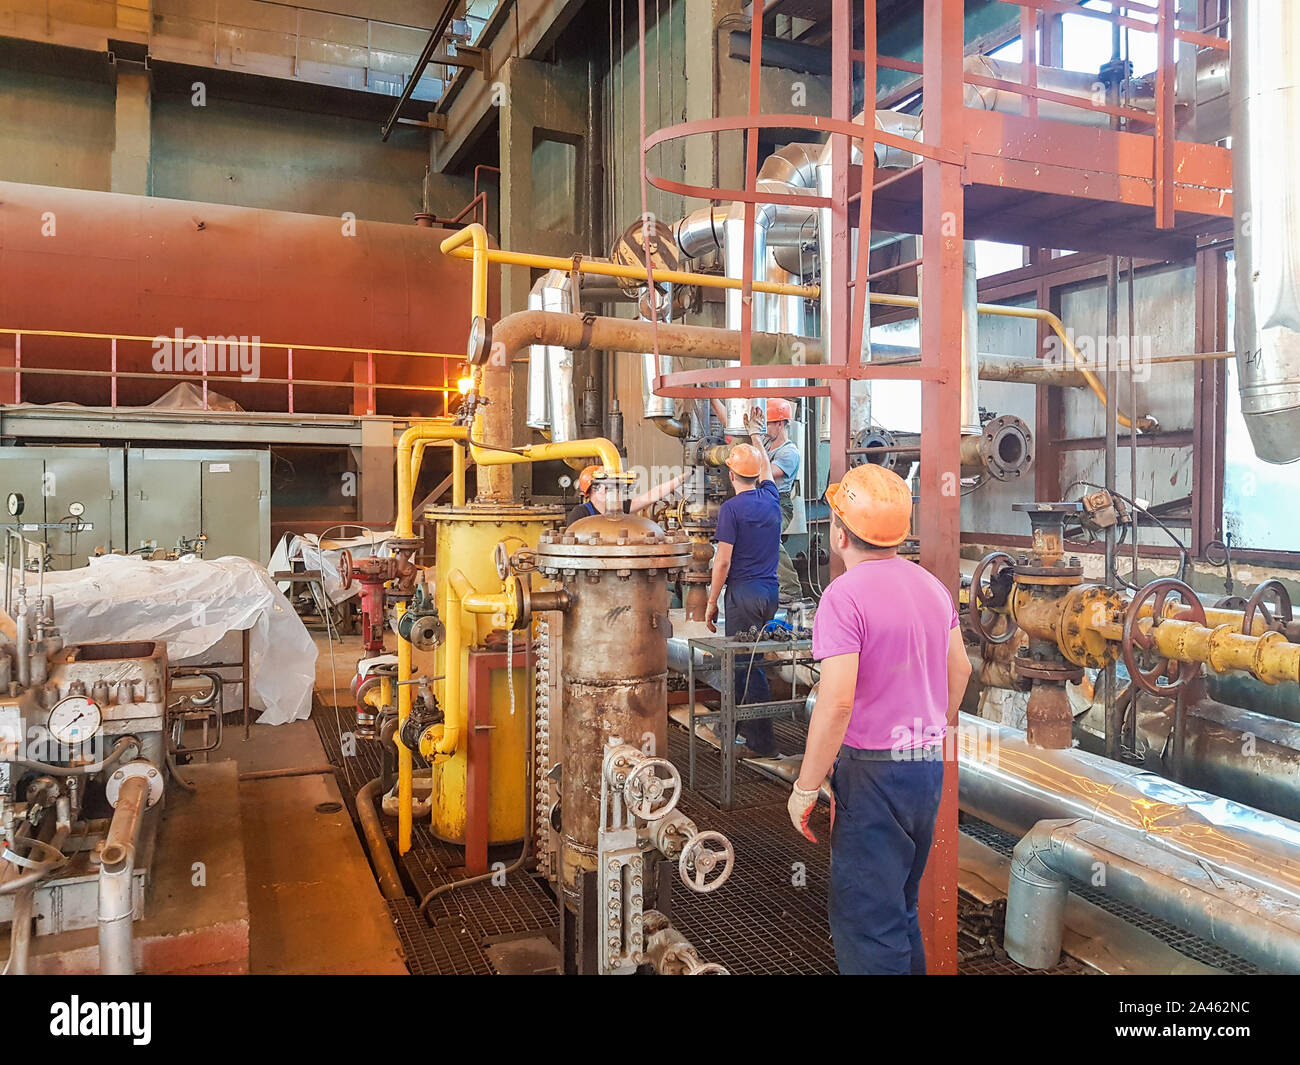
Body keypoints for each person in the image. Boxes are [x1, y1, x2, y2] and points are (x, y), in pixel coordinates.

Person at [786, 463, 971, 975]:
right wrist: (929, 723)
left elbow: (837, 701)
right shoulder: (932, 587)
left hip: (873, 774)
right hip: (924, 764)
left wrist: (806, 785)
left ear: (839, 532)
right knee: (900, 908)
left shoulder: (843, 597)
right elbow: (962, 668)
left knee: (867, 923)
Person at [704, 413, 783, 757]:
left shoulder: (731, 509)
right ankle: (732, 728)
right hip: (769, 594)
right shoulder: (771, 498)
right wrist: (754, 434)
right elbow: (765, 468)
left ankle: (762, 743)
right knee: (746, 665)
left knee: (746, 669)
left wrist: (711, 602)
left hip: (743, 594)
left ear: (731, 475)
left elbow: (722, 561)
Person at [763, 398, 803, 603]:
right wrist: (714, 399)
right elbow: (731, 425)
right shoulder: (765, 443)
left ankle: (792, 588)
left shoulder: (789, 452)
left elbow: (765, 473)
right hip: (762, 502)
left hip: (779, 504)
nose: (764, 428)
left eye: (768, 423)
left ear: (780, 423)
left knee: (768, 538)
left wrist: (753, 440)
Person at [565, 464, 688, 528]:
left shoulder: (619, 508)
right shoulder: (580, 514)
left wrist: (681, 478)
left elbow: (653, 495)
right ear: (597, 488)